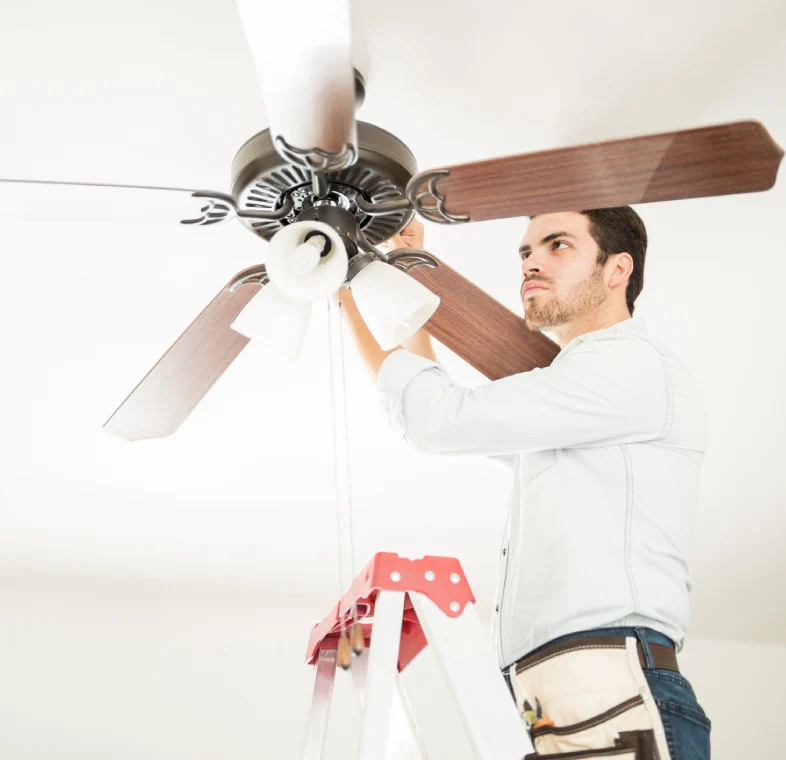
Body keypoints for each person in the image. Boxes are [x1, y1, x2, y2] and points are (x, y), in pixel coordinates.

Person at [338, 208, 711, 760]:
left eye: (558, 244)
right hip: (559, 696)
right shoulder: (575, 401)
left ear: (618, 270)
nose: (531, 261)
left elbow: (437, 420)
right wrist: (395, 275)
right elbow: (443, 412)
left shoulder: (630, 368)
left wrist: (344, 286)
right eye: (525, 251)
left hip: (608, 687)